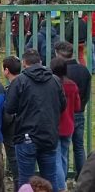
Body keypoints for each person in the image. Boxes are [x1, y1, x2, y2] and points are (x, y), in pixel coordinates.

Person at [5, 49, 66, 189]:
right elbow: (62, 105)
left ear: (24, 63)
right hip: (49, 135)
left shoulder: (20, 81)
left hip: (26, 136)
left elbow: (9, 108)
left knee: (26, 182)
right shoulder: (55, 80)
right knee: (50, 181)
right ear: (40, 61)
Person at [54, 41, 91, 179]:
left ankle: (62, 177)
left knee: (62, 149)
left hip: (64, 114)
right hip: (79, 111)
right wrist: (81, 107)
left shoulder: (60, 73)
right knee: (79, 146)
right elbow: (87, 93)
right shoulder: (84, 70)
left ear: (58, 54)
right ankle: (82, 177)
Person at [50, 57, 81, 189]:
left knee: (56, 158)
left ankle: (61, 185)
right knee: (63, 156)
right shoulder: (72, 85)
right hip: (68, 125)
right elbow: (77, 106)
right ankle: (62, 182)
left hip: (55, 126)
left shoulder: (51, 84)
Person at [2, 56, 22, 191]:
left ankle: (19, 187)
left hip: (12, 130)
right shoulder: (25, 83)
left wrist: (2, 126)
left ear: (6, 70)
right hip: (26, 128)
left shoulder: (10, 89)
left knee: (15, 162)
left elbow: (8, 113)